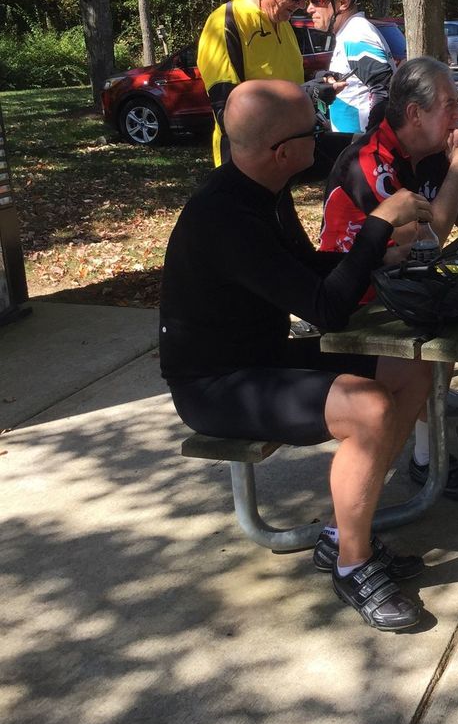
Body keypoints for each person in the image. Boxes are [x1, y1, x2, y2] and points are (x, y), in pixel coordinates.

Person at [159, 79, 435, 632]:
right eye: (313, 129)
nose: (324, 135)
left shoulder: (263, 188)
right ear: (282, 152)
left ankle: (341, 533)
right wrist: (379, 223)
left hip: (262, 355)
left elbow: (304, 272)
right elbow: (327, 309)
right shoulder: (224, 217)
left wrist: (378, 253)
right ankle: (354, 566)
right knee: (369, 408)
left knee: (412, 369)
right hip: (215, 385)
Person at [320, 56, 458, 501]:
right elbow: (429, 239)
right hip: (357, 299)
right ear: (415, 113)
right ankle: (426, 459)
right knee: (442, 324)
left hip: (399, 280)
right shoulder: (371, 162)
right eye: (450, 104)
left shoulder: (430, 152)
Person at [197, 0, 326, 166]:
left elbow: (284, 85)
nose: (301, 5)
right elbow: (229, 115)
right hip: (244, 169)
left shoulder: (283, 23)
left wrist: (316, 83)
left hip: (283, 163)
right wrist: (302, 96)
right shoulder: (226, 22)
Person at [304, 0, 396, 134]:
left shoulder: (357, 34)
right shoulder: (350, 32)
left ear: (343, 2)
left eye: (316, 0)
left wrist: (371, 141)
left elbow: (385, 90)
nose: (309, 9)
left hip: (360, 145)